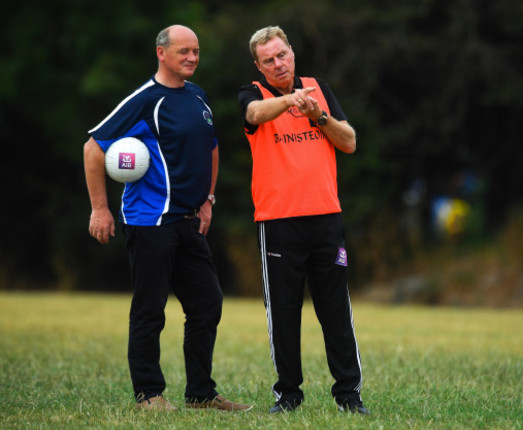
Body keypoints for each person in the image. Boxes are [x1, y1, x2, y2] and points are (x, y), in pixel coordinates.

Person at [83, 24, 251, 412]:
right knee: (150, 308)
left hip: (189, 222)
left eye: (196, 51)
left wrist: (208, 198)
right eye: (183, 51)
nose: (192, 57)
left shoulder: (197, 96)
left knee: (207, 303)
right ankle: (149, 394)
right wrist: (100, 208)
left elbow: (212, 148)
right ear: (162, 53)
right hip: (150, 222)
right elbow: (94, 148)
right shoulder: (145, 101)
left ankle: (201, 394)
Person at [237, 25, 369, 415]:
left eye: (282, 55)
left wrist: (319, 115)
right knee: (284, 314)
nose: (278, 64)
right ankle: (288, 396)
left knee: (335, 311)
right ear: (258, 67)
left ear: (292, 52)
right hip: (278, 223)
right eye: (268, 60)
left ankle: (349, 396)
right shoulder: (253, 94)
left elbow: (349, 142)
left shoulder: (319, 88)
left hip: (326, 219)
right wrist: (291, 100)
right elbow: (254, 114)